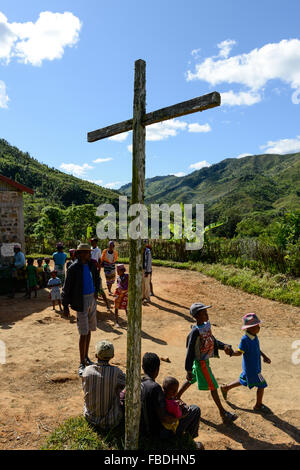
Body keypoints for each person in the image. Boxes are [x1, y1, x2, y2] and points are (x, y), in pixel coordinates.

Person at [177, 303, 237, 424]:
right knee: (213, 386)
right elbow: (190, 352)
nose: (207, 314)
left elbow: (212, 340)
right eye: (204, 313)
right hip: (201, 363)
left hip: (203, 360)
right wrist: (188, 369)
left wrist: (224, 345)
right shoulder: (195, 332)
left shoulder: (205, 327)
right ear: (197, 316)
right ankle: (223, 413)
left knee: (192, 378)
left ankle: (176, 397)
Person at [140, 352, 203, 448]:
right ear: (157, 370)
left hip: (142, 429)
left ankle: (185, 439)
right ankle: (188, 441)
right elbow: (166, 419)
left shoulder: (138, 383)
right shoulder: (155, 388)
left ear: (142, 367)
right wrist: (182, 415)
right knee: (195, 409)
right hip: (159, 433)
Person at [62, 243, 100, 377]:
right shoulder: (73, 268)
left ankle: (86, 357)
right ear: (80, 254)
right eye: (86, 252)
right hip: (80, 301)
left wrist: (97, 291)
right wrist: (65, 305)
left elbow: (97, 278)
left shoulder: (91, 265)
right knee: (83, 332)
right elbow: (66, 288)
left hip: (91, 299)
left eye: (89, 252)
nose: (89, 254)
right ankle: (81, 362)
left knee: (89, 330)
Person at [220, 313, 271, 413]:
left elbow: (257, 348)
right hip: (252, 369)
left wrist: (264, 356)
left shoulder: (254, 336)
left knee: (243, 380)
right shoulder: (245, 340)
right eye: (257, 326)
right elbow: (239, 352)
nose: (259, 328)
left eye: (259, 326)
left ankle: (226, 388)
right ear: (250, 328)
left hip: (254, 367)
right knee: (262, 385)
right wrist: (230, 353)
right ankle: (258, 405)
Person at [82, 340, 126, 430]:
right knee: (122, 390)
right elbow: (127, 382)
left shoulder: (87, 370)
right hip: (111, 421)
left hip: (90, 417)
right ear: (112, 356)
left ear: (96, 355)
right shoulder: (116, 372)